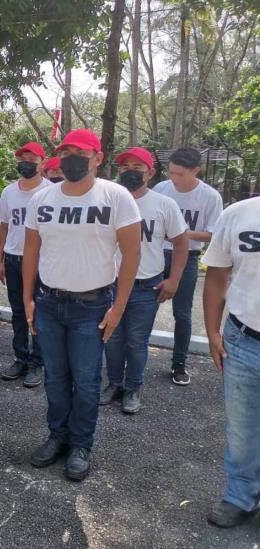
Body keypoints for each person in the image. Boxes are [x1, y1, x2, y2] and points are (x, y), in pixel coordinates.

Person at [23, 128, 141, 481]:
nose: (71, 158)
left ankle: (81, 444)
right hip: (48, 303)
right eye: (66, 151)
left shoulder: (116, 197)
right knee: (56, 378)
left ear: (98, 158)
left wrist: (119, 307)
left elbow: (132, 254)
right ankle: (57, 436)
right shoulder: (42, 200)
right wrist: (27, 298)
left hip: (92, 306)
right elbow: (32, 250)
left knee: (87, 381)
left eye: (80, 152)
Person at [101, 147, 189, 413]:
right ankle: (114, 383)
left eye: (137, 167)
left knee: (136, 342)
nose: (130, 172)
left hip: (145, 285)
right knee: (111, 337)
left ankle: (132, 388)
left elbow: (182, 243)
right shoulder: (107, 200)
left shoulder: (164, 204)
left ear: (150, 172)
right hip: (110, 284)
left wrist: (173, 279)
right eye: (125, 167)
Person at [202, 195, 260, 528]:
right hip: (244, 339)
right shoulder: (238, 214)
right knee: (242, 429)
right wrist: (212, 333)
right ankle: (241, 495)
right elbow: (217, 276)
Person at [153, 148, 223, 385]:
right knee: (144, 309)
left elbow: (213, 234)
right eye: (171, 172)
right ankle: (134, 359)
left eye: (180, 174)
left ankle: (179, 364)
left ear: (195, 170)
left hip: (189, 257)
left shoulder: (210, 196)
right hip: (157, 255)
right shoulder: (161, 188)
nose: (174, 178)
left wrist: (180, 233)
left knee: (182, 314)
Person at [0, 142, 51, 387]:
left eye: (32, 158)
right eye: (22, 158)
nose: (26, 162)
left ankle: (37, 362)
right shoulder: (9, 192)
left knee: (38, 312)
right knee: (18, 311)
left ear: (43, 162)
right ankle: (21, 357)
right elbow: (5, 226)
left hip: (41, 261)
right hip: (13, 258)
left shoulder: (51, 191)